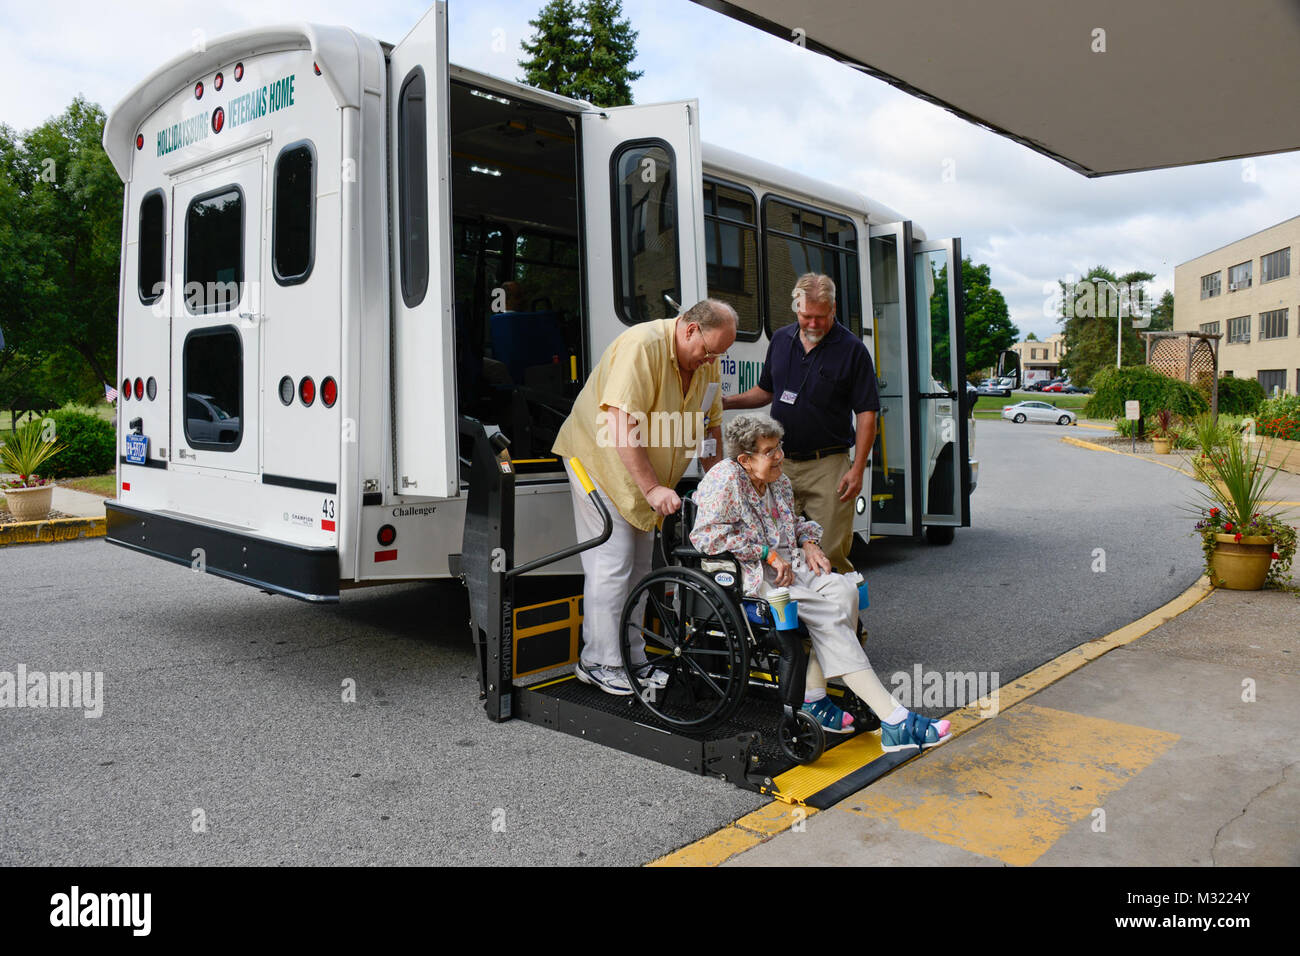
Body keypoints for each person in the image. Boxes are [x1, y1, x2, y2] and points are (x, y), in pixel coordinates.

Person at [690, 413, 950, 751]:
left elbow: (793, 523)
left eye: (779, 447)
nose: (779, 456)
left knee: (844, 591)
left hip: (790, 566)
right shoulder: (724, 480)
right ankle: (895, 719)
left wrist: (810, 543)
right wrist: (766, 553)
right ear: (745, 459)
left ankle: (814, 698)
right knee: (827, 616)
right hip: (749, 575)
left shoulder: (778, 480)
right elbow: (706, 537)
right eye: (769, 451)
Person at [553, 300, 735, 696]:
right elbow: (620, 425)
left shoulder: (706, 360)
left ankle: (630, 660)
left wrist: (719, 482)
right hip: (599, 461)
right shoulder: (642, 345)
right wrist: (652, 488)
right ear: (689, 330)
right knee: (611, 563)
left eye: (718, 354)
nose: (711, 360)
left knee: (638, 571)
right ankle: (598, 662)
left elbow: (711, 425)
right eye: (708, 351)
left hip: (644, 476)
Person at [723, 273, 878, 573]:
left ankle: (843, 620)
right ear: (796, 308)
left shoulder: (853, 349)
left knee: (830, 552)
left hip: (828, 466)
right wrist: (728, 402)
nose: (814, 324)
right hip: (779, 463)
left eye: (821, 316)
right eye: (807, 316)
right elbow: (766, 391)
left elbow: (867, 414)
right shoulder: (781, 339)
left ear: (833, 309)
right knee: (779, 548)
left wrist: (858, 468)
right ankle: (795, 619)